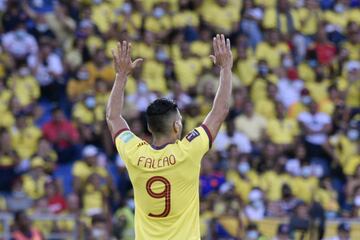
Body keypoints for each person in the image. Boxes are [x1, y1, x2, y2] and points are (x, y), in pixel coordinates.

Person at [106, 35, 233, 239]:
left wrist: (121, 75)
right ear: (176, 126)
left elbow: (113, 117)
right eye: (180, 120)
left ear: (149, 127)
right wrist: (226, 68)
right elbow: (220, 111)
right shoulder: (188, 151)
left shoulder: (134, 153)